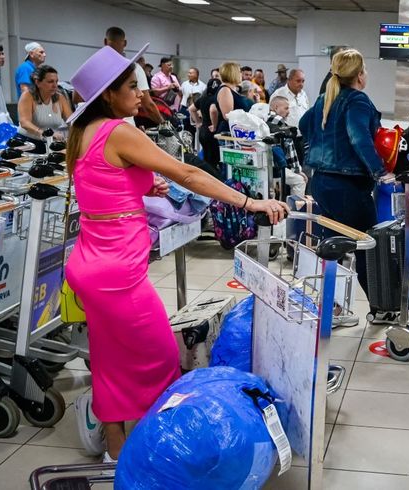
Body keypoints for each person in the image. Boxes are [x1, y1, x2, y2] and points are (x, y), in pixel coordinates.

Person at [66, 45, 288, 463]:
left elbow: (103, 185)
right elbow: (186, 172)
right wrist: (248, 203)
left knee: (110, 359)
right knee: (162, 360)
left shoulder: (84, 134)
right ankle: (165, 451)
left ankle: (117, 453)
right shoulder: (119, 132)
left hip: (89, 267)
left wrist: (142, 187)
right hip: (118, 275)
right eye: (132, 86)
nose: (141, 92)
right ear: (109, 95)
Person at [299, 48, 390, 294]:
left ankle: (331, 305)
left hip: (321, 183)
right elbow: (359, 138)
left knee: (333, 245)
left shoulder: (324, 99)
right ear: (360, 75)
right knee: (367, 246)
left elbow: (303, 124)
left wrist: (320, 143)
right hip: (348, 186)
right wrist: (380, 172)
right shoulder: (357, 99)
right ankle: (379, 304)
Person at [104, 27, 163, 127]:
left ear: (105, 41)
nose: (139, 94)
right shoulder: (134, 69)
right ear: (125, 43)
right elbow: (148, 105)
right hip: (125, 127)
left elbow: (77, 98)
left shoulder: (96, 69)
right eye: (132, 86)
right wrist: (164, 124)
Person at [16, 65, 73, 153]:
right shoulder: (27, 96)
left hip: (49, 144)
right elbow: (25, 123)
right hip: (28, 144)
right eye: (50, 82)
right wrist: (46, 134)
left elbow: (71, 120)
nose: (55, 85)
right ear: (38, 82)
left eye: (56, 81)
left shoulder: (60, 98)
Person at [267, 96, 307, 197]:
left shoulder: (266, 120)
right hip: (277, 167)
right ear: (276, 107)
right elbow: (290, 149)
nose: (288, 112)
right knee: (300, 181)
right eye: (286, 108)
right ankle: (295, 210)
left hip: (268, 165)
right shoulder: (280, 123)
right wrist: (297, 171)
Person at [212, 62, 255, 134]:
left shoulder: (231, 89)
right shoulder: (225, 90)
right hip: (230, 132)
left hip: (238, 131)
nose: (241, 74)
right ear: (233, 73)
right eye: (239, 72)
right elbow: (228, 116)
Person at [189, 78, 222, 165]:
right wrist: (214, 125)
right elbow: (213, 110)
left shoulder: (203, 98)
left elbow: (191, 109)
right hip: (212, 132)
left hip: (203, 131)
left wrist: (198, 122)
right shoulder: (216, 98)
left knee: (206, 160)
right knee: (214, 161)